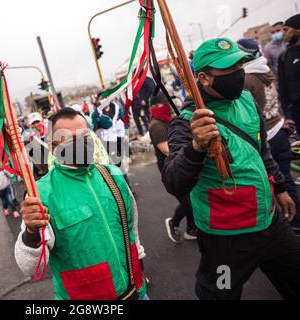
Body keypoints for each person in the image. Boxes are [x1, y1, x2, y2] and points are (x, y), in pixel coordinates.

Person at [162, 38, 300, 299]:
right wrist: (196, 146)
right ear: (203, 78)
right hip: (227, 239)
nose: (238, 73)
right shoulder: (187, 123)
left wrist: (280, 187)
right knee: (220, 293)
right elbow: (173, 181)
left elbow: (262, 151)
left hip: (270, 223)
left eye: (240, 65)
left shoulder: (247, 100)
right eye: (229, 69)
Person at [15, 108, 148, 300]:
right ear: (53, 147)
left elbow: (131, 228)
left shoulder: (113, 176)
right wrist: (31, 231)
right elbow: (30, 267)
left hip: (134, 292)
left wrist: (140, 267)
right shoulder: (41, 195)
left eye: (85, 136)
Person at [239, 38, 300, 235]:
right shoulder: (263, 69)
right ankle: (294, 220)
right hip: (279, 129)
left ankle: (294, 221)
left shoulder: (247, 78)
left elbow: (249, 114)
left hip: (268, 135)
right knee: (285, 178)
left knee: (280, 181)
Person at [148, 91, 197, 243]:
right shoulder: (156, 126)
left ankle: (191, 229)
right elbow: (167, 150)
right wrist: (193, 149)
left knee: (191, 200)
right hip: (171, 169)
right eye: (154, 106)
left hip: (181, 163)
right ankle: (174, 222)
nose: (158, 108)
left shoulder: (170, 119)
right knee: (188, 202)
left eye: (160, 104)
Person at [279, 14, 300, 132]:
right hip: (296, 109)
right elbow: (283, 84)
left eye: (286, 29)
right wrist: (287, 108)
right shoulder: (284, 56)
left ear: (298, 30)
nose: (283, 33)